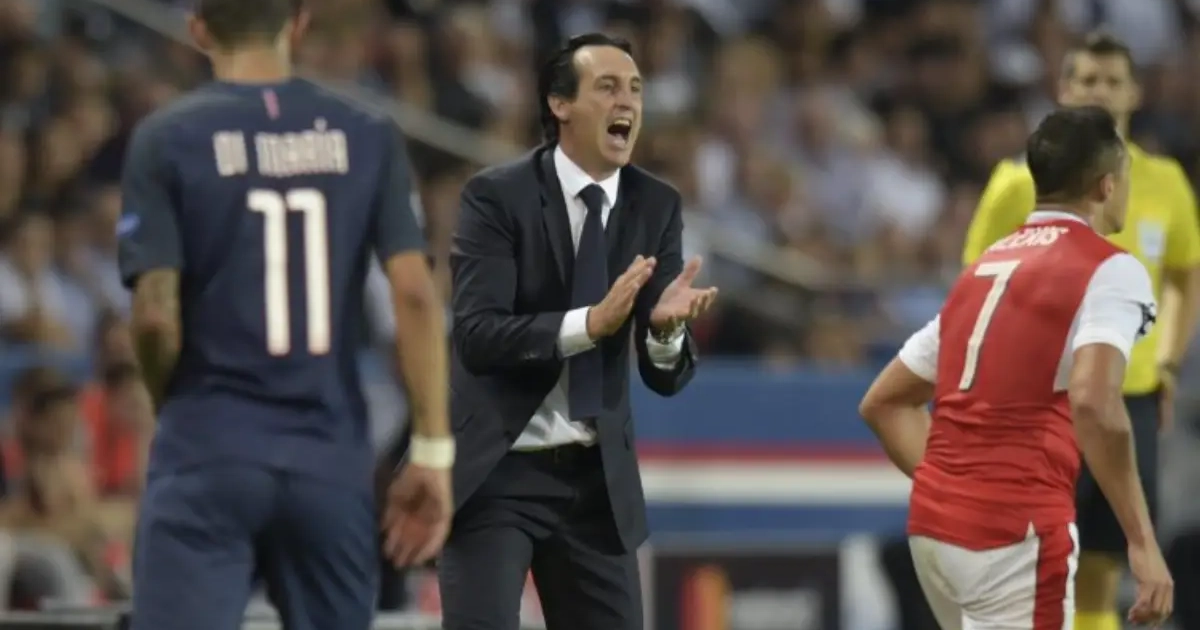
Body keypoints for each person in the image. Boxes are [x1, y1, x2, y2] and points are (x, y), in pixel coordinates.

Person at [117, 1, 452, 629]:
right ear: (298, 23)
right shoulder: (367, 132)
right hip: (328, 456)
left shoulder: (166, 137)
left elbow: (155, 316)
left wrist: (174, 404)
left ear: (198, 29)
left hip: (209, 443)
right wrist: (432, 450)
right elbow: (414, 294)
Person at [426, 32, 717, 630]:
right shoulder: (495, 196)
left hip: (595, 479)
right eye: (607, 87)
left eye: (635, 89)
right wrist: (589, 324)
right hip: (497, 468)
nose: (627, 102)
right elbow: (477, 336)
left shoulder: (655, 205)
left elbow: (663, 376)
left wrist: (664, 334)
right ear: (560, 105)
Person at [860, 106, 1174, 629]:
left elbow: (884, 403)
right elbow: (1096, 403)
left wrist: (956, 492)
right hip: (1014, 535)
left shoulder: (982, 270)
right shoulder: (1110, 268)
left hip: (934, 534)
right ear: (1106, 186)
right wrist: (1141, 541)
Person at [963, 33, 1200, 630]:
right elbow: (977, 282)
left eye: (1113, 81)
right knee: (1040, 556)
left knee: (1101, 559)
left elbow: (1184, 273)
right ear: (1064, 90)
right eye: (1088, 80)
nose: (1101, 92)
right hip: (1047, 396)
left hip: (1132, 392)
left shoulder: (1165, 181)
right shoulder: (1016, 182)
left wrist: (1168, 362)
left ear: (1135, 93)